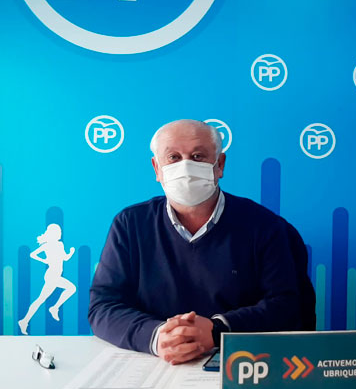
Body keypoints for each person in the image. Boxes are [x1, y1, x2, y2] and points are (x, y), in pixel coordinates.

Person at [89, 119, 314, 364]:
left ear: (220, 164)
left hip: (244, 363)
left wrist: (218, 330)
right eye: (174, 157)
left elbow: (287, 305)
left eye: (198, 156)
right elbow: (104, 305)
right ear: (157, 169)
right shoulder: (130, 225)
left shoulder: (266, 227)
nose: (186, 167)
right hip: (154, 365)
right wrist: (156, 336)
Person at [18, 224, 77, 335]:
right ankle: (26, 320)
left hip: (56, 275)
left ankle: (26, 320)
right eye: (58, 232)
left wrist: (71, 252)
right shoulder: (47, 245)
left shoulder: (60, 244)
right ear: (53, 234)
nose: (60, 234)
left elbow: (65, 258)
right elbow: (32, 254)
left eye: (60, 232)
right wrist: (44, 260)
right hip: (51, 275)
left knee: (43, 298)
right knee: (43, 298)